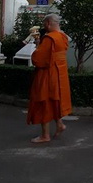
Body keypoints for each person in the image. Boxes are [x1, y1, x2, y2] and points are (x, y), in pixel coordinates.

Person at [27, 14, 71, 143]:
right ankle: (60, 124)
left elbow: (38, 59)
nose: (44, 26)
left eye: (45, 24)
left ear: (48, 23)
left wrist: (37, 46)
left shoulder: (49, 38)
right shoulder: (63, 36)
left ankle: (45, 135)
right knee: (54, 100)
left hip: (48, 74)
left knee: (44, 101)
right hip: (60, 74)